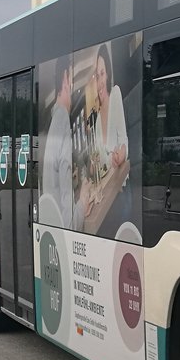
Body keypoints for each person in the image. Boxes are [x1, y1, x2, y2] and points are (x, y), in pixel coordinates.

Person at [42, 57, 88, 230]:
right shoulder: (61, 118)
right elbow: (69, 226)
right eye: (72, 79)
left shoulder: (53, 119)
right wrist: (83, 201)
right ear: (65, 78)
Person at [93, 43, 128, 174]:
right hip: (108, 187)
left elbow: (123, 139)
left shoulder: (115, 94)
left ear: (107, 74)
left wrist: (121, 154)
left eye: (102, 74)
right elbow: (101, 162)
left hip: (121, 181)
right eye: (97, 76)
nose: (100, 81)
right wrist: (95, 164)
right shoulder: (96, 123)